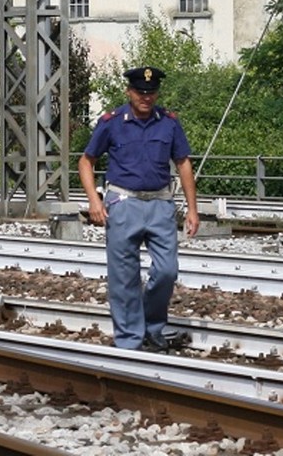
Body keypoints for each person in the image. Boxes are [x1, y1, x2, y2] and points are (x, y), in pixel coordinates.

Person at [78, 66, 199, 351]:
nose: (146, 97)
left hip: (160, 203)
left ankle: (152, 325)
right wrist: (94, 200)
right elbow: (86, 161)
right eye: (140, 92)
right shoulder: (112, 122)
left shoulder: (168, 123)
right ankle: (130, 340)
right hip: (123, 203)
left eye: (151, 92)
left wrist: (193, 209)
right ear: (129, 92)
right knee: (124, 277)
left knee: (168, 271)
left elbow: (183, 163)